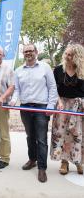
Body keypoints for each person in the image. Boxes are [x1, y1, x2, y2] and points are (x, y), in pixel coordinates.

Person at [10, 44, 58, 183]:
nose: (28, 53)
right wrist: (13, 100)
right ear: (23, 54)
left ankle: (42, 168)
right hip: (25, 108)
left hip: (41, 108)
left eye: (31, 51)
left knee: (41, 139)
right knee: (30, 136)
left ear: (36, 52)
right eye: (26, 51)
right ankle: (32, 159)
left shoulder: (45, 67)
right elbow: (17, 90)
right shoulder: (18, 70)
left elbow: (52, 87)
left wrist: (50, 106)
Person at [50, 44, 84, 175]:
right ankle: (64, 162)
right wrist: (58, 102)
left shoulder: (83, 70)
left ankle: (78, 161)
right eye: (66, 54)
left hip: (79, 107)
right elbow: (54, 89)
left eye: (71, 55)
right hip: (62, 105)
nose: (67, 57)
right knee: (61, 133)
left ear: (78, 56)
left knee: (78, 134)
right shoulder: (59, 70)